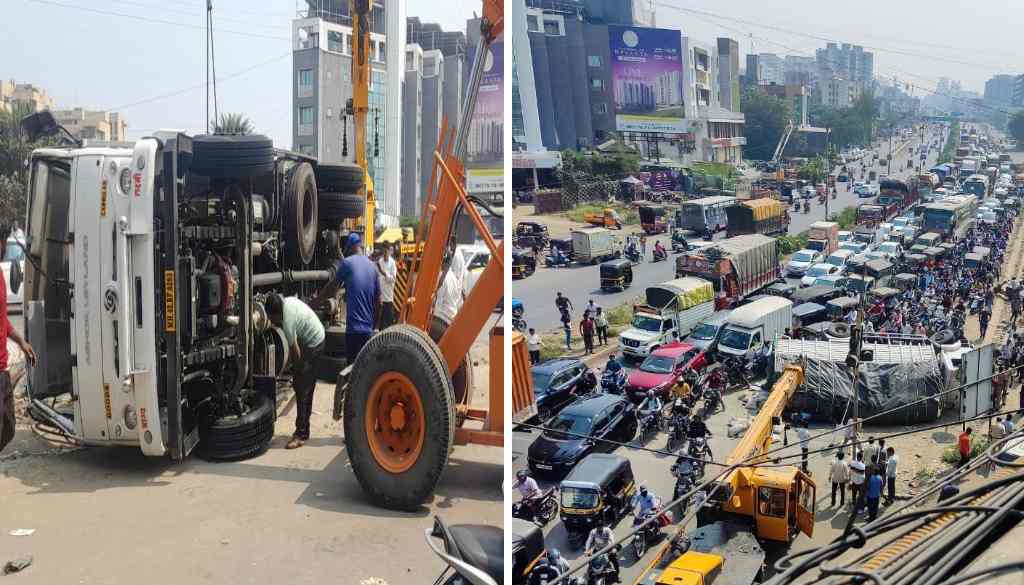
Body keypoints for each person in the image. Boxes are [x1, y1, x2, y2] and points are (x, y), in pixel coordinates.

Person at [266, 294, 325, 449]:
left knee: (302, 388)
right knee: (306, 385)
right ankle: (304, 428)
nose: (272, 322)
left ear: (277, 314)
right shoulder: (288, 302)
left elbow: (295, 352)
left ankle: (301, 434)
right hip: (315, 336)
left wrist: (297, 373)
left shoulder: (287, 322)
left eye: (272, 318)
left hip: (314, 343)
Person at [0, 224, 37, 455]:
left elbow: (3, 319)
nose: (3, 247)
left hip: (2, 368)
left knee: (8, 428)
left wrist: (21, 342)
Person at [315, 234, 380, 363]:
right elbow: (380, 302)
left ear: (350, 248)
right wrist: (374, 326)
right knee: (364, 370)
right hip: (368, 331)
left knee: (352, 371)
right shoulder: (373, 267)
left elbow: (331, 288)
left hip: (353, 331)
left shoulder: (347, 263)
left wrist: (315, 302)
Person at [375, 242, 398, 330]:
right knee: (380, 323)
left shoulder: (392, 263)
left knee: (388, 322)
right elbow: (378, 277)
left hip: (388, 297)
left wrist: (384, 273)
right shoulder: (380, 261)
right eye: (383, 251)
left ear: (389, 251)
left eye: (386, 252)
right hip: (380, 296)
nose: (384, 254)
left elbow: (393, 279)